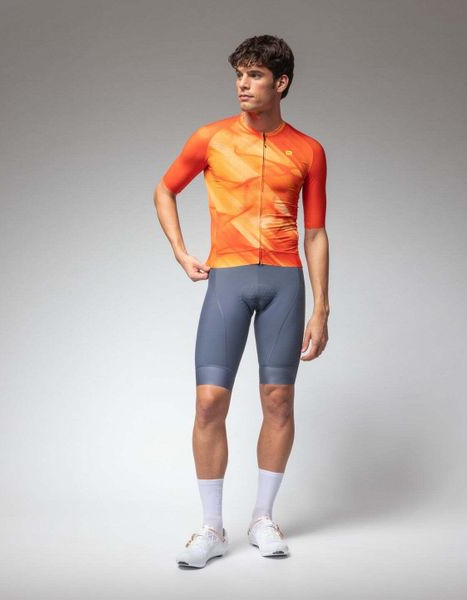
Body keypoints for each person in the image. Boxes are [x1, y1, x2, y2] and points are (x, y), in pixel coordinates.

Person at [153, 34, 329, 568]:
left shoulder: (309, 150)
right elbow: (165, 189)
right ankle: (211, 527)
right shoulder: (211, 138)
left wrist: (322, 308)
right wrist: (181, 252)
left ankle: (262, 519)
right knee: (210, 401)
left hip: (284, 282)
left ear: (281, 83)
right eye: (239, 75)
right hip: (227, 279)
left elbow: (315, 232)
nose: (243, 86)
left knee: (278, 401)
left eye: (255, 76)